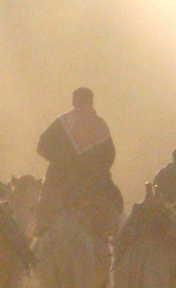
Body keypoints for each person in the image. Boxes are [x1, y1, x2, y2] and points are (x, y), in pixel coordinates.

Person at [35, 86, 122, 237]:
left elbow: (42, 146)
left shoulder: (63, 121)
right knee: (116, 205)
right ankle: (115, 242)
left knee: (43, 218)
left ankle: (39, 236)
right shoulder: (100, 124)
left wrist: (61, 163)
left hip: (60, 182)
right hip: (93, 184)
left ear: (74, 101)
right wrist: (96, 170)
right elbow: (110, 155)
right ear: (92, 102)